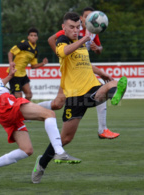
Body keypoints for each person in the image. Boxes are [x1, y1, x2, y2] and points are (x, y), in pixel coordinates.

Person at [0, 31, 78, 188]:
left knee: (27, 149)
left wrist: (9, 77)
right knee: (49, 114)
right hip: (5, 104)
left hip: (2, 108)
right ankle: (59, 151)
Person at [32, 12, 127, 184]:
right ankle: (42, 163)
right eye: (71, 27)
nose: (75, 30)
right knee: (66, 139)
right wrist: (84, 39)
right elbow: (64, 52)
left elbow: (86, 64)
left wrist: (103, 73)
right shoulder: (64, 41)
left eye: (78, 27)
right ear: (64, 28)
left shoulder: (81, 43)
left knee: (115, 82)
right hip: (75, 96)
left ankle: (113, 97)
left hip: (91, 88)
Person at [38, 7, 119, 139]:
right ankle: (31, 109)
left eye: (91, 16)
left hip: (83, 69)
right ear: (81, 18)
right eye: (86, 16)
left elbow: (98, 50)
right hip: (71, 72)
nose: (89, 19)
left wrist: (97, 48)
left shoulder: (94, 30)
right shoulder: (73, 29)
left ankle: (103, 129)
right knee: (58, 103)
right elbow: (51, 40)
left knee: (100, 89)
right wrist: (62, 58)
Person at [8, 27, 48, 100]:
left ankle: (24, 110)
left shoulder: (35, 50)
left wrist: (42, 63)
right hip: (15, 73)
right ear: (28, 37)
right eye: (31, 35)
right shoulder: (24, 44)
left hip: (23, 74)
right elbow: (10, 52)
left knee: (29, 95)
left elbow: (33, 66)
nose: (33, 37)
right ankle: (15, 109)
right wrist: (11, 63)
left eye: (35, 35)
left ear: (37, 37)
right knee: (18, 97)